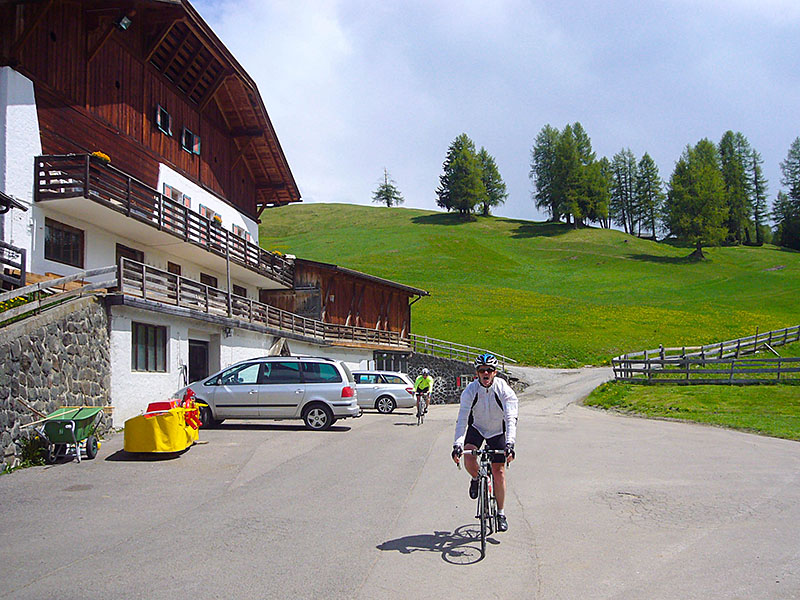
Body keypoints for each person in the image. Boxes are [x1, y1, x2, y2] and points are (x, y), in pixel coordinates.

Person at [451, 353, 518, 532]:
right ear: (477, 373)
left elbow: (511, 418)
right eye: (482, 370)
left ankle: (501, 513)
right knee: (469, 458)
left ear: (495, 372)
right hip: (477, 428)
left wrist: (510, 444)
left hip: (497, 431)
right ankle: (475, 478)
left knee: (499, 472)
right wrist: (457, 444)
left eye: (489, 370)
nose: (486, 373)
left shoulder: (504, 390)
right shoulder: (470, 391)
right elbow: (462, 419)